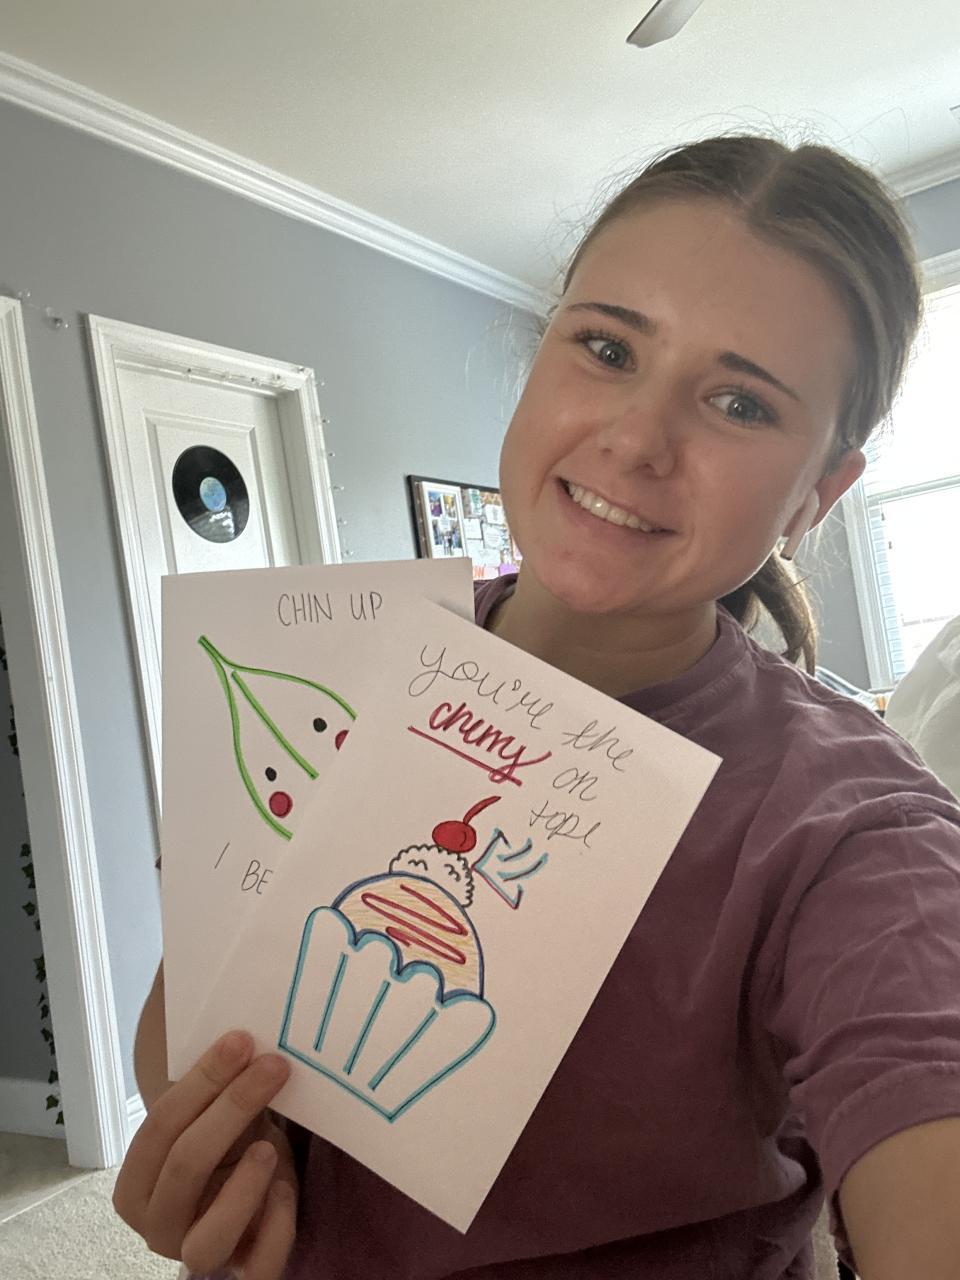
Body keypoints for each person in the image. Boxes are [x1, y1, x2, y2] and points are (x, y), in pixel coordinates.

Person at [114, 136, 960, 1279]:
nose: (635, 440)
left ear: (820, 490)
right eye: (607, 347)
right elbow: (190, 1023)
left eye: (740, 402)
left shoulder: (855, 824)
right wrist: (218, 1150)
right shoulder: (332, 660)